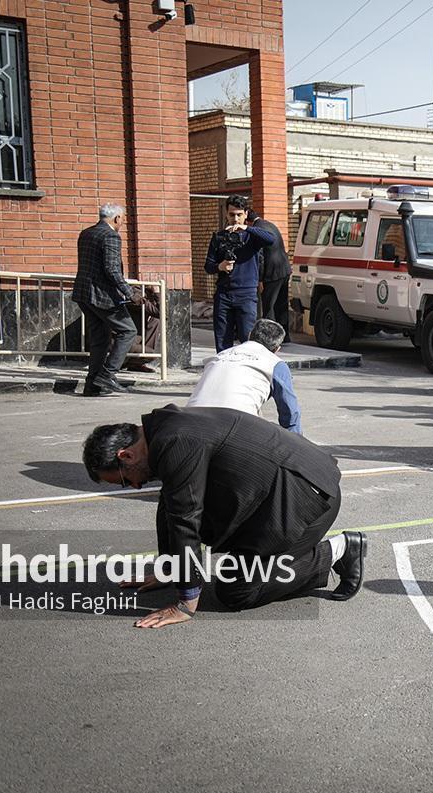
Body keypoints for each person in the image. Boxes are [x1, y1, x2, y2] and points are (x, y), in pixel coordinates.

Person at [82, 406, 367, 628]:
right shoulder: (164, 429)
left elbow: (185, 519)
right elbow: (171, 503)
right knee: (173, 501)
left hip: (307, 501)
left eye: (122, 480)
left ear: (126, 455)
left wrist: (186, 601)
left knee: (237, 590)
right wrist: (168, 567)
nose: (133, 486)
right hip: (275, 498)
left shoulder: (175, 441)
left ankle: (339, 550)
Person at [187, 319, 302, 435]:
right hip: (233, 428)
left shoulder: (221, 356)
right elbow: (290, 415)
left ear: (249, 335)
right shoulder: (275, 364)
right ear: (277, 349)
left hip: (188, 422)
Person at [73, 203, 141, 397]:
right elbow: (112, 270)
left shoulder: (86, 233)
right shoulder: (111, 236)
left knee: (100, 339)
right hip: (102, 296)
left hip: (84, 294)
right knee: (128, 331)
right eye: (123, 219)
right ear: (117, 218)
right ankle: (108, 374)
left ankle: (91, 385)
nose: (122, 223)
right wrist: (130, 293)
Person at [204, 195, 276, 352]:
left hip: (247, 295)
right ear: (226, 214)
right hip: (224, 294)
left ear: (246, 214)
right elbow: (208, 266)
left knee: (248, 341)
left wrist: (247, 228)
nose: (235, 219)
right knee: (223, 342)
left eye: (239, 215)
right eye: (231, 215)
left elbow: (271, 239)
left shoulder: (252, 237)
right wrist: (220, 267)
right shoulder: (219, 237)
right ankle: (224, 374)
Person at [249, 208, 292, 342]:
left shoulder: (257, 230)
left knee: (269, 306)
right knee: (282, 303)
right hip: (284, 268)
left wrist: (260, 279)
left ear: (248, 221)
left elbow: (260, 257)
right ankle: (285, 337)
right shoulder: (269, 224)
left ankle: (270, 339)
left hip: (271, 272)